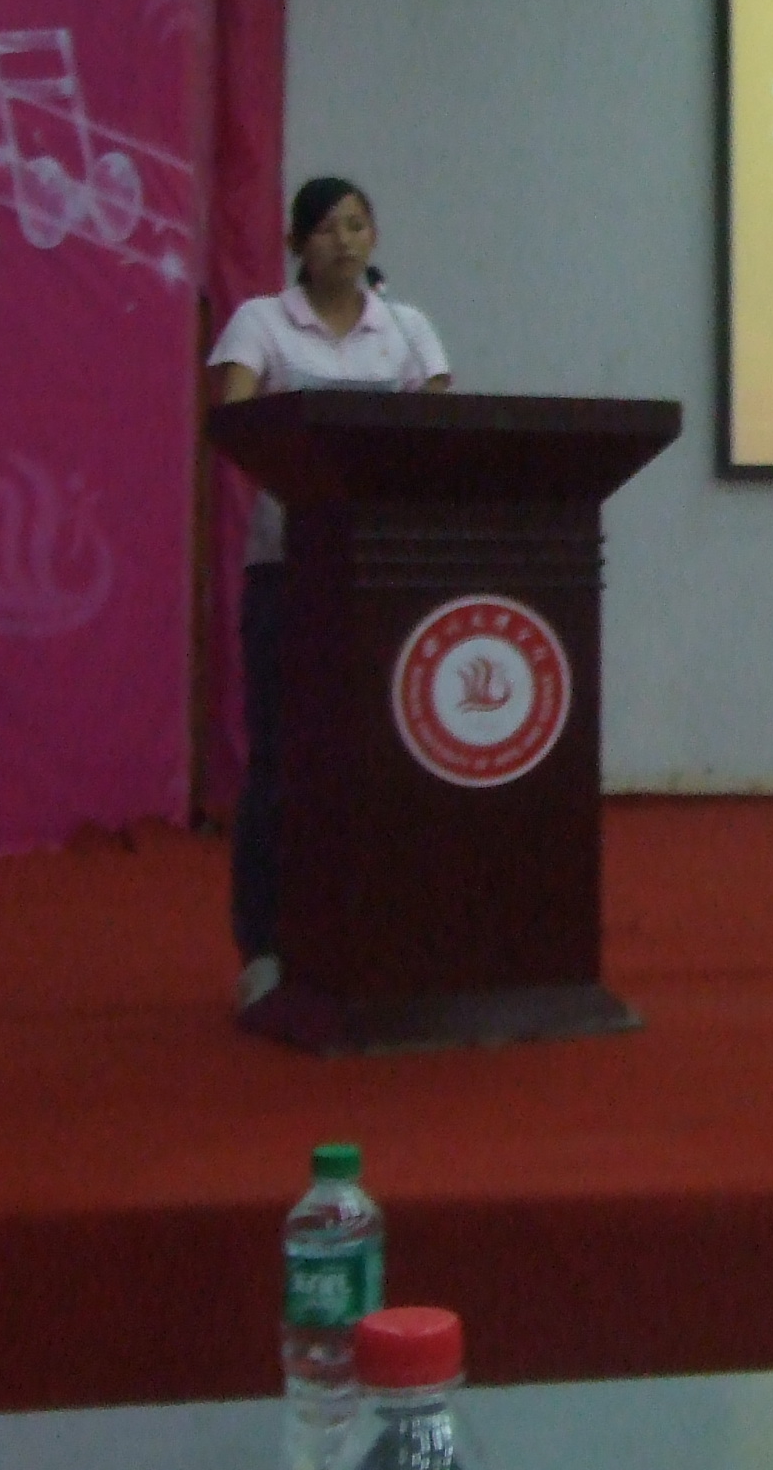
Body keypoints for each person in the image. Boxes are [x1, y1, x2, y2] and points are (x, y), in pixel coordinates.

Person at [208, 177, 452, 1016]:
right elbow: (234, 425)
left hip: (383, 578)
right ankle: (266, 947)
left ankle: (383, 931)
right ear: (296, 245)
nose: (344, 242)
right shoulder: (261, 323)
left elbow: (439, 440)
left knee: (386, 758)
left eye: (356, 225)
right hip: (289, 571)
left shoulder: (408, 329)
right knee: (280, 762)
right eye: (324, 229)